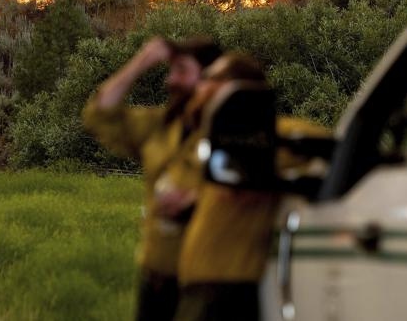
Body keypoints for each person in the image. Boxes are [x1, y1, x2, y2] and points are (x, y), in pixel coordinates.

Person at [173, 52, 333, 321]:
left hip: (228, 286)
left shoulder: (273, 133)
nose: (200, 85)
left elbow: (336, 153)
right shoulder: (218, 139)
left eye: (211, 78)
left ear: (237, 87)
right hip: (200, 283)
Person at [82, 36, 222, 321]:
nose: (171, 80)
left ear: (208, 77)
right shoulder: (159, 126)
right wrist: (142, 60)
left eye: (182, 70)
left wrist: (195, 201)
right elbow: (98, 115)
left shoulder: (231, 130)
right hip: (157, 280)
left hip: (207, 285)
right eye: (170, 71)